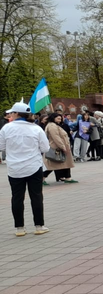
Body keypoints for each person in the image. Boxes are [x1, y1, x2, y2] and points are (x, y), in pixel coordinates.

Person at [0, 101, 50, 236]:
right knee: (36, 196)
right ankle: (39, 226)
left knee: (17, 197)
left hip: (14, 168)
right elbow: (45, 148)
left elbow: (1, 147)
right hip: (34, 166)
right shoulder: (36, 128)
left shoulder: (6, 128)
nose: (10, 114)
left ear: (16, 114)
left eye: (12, 112)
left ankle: (19, 228)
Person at [42, 114, 78, 184]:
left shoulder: (55, 125)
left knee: (66, 163)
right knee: (52, 164)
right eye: (58, 118)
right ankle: (42, 178)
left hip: (61, 147)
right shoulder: (52, 126)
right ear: (53, 118)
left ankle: (68, 177)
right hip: (57, 148)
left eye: (60, 119)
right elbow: (56, 137)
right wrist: (62, 146)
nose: (60, 120)